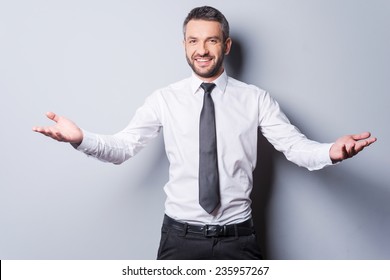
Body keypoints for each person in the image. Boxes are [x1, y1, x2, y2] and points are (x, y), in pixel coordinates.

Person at [32, 6, 376, 260]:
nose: (202, 50)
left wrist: (332, 150)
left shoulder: (255, 99)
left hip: (239, 240)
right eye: (193, 41)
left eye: (211, 41)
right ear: (183, 44)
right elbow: (123, 147)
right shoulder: (164, 99)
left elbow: (294, 147)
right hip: (179, 240)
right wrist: (80, 139)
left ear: (225, 46)